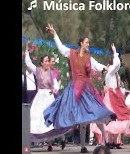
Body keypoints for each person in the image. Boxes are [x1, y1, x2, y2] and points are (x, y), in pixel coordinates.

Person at [43, 24, 116, 153]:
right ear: (81, 43)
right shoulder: (72, 53)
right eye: (87, 42)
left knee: (94, 113)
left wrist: (104, 68)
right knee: (80, 117)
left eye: (88, 42)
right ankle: (82, 146)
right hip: (75, 89)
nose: (88, 44)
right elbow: (61, 48)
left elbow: (97, 65)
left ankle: (103, 142)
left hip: (87, 90)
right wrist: (54, 34)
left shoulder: (89, 57)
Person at [25, 41, 70, 151]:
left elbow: (56, 84)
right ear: (41, 63)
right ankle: (28, 142)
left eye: (47, 61)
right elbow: (29, 63)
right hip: (40, 96)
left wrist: (54, 89)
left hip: (48, 97)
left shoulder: (51, 72)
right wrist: (26, 51)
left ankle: (50, 144)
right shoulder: (37, 71)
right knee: (35, 119)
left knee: (49, 121)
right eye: (45, 61)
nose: (47, 63)